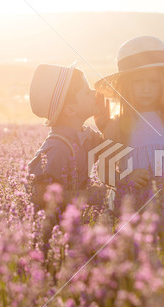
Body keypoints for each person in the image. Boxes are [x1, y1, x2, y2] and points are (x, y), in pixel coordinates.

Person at [94, 36, 164, 214]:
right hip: (131, 205)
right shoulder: (117, 125)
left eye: (153, 82)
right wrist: (125, 178)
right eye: (138, 82)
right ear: (126, 86)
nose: (146, 89)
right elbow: (103, 170)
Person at [27, 62, 150, 213]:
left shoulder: (86, 136)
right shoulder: (57, 148)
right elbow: (39, 195)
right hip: (55, 228)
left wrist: (106, 125)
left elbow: (112, 150)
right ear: (71, 109)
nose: (94, 92)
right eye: (86, 92)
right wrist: (85, 196)